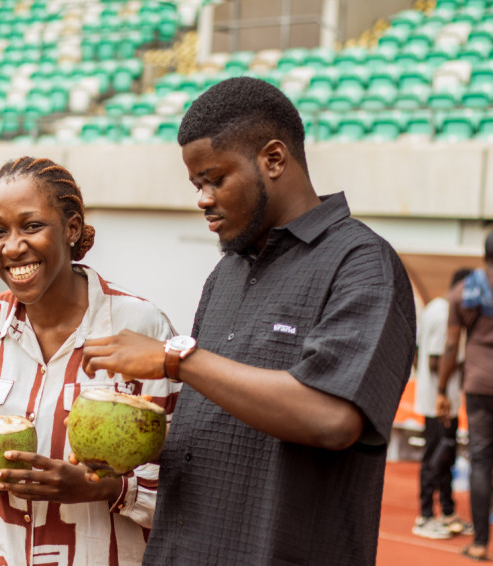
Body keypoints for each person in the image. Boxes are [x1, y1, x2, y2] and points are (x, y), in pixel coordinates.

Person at [81, 77, 416, 565]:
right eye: (197, 184)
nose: (202, 198)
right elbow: (214, 428)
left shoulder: (362, 264)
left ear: (274, 159)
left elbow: (332, 418)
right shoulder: (226, 273)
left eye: (215, 179)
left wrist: (178, 361)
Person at [0, 156, 181, 566]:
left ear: (71, 229)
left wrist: (104, 488)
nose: (13, 246)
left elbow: (185, 487)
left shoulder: (141, 325)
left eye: (32, 226)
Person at [436, 228, 493, 562]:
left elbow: (450, 345)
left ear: (485, 256)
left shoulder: (462, 292)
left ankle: (479, 544)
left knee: (480, 463)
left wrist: (442, 389)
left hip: (477, 388)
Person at [412, 267, 473, 539]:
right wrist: (441, 393)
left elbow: (417, 352)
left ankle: (447, 512)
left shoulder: (435, 307)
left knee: (445, 456)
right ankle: (425, 516)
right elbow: (435, 360)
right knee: (435, 457)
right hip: (440, 402)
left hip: (439, 398)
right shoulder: (444, 312)